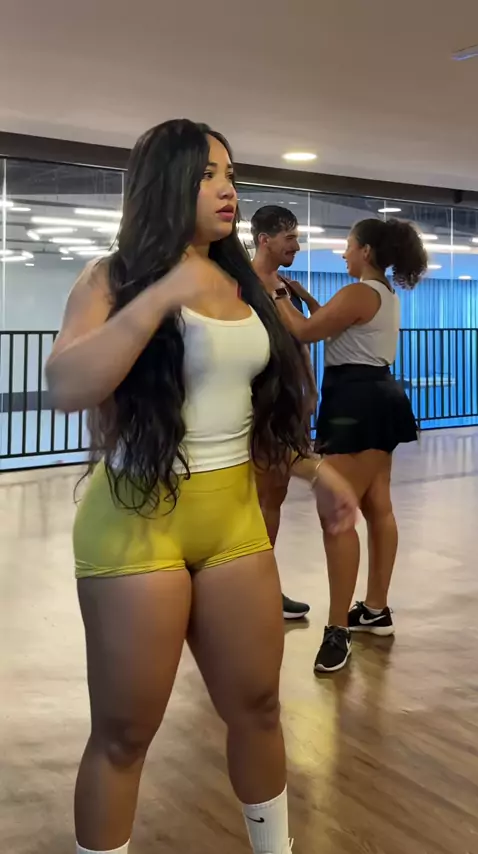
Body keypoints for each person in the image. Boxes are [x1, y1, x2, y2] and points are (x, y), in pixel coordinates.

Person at [46, 119, 357, 854]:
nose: (227, 190)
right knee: (125, 733)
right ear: (166, 184)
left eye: (231, 175)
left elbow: (247, 410)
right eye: (207, 174)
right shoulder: (111, 277)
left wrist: (316, 470)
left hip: (233, 521)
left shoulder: (242, 282)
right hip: (136, 519)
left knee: (258, 706)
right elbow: (65, 386)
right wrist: (157, 299)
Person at [273, 217, 427, 673]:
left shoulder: (360, 292)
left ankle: (337, 628)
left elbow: (305, 332)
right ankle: (375, 609)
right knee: (377, 505)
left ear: (366, 251)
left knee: (336, 516)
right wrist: (306, 300)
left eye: (348, 246)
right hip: (378, 394)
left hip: (356, 401)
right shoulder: (380, 293)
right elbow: (339, 325)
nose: (343, 254)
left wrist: (277, 296)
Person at [251, 205, 320, 620]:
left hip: (285, 401)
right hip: (253, 398)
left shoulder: (284, 286)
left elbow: (300, 340)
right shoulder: (241, 283)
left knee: (274, 493)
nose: (296, 245)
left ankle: (261, 588)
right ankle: (246, 590)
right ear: (265, 240)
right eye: (289, 237)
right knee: (251, 494)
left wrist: (308, 390)